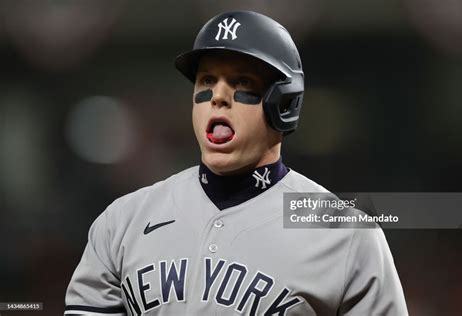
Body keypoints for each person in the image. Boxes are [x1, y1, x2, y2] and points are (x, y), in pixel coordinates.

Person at [65, 10, 408, 315]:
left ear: (284, 104)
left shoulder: (345, 234)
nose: (218, 97)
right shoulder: (121, 223)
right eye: (207, 82)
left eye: (242, 83)